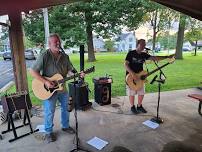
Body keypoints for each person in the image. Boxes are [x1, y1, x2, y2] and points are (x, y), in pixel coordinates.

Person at [30, 33, 85, 143]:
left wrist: (78, 74)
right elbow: (32, 71)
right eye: (55, 42)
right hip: (48, 90)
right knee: (49, 111)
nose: (58, 43)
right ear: (49, 44)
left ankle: (65, 126)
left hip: (62, 88)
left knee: (66, 108)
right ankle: (48, 132)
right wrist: (46, 81)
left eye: (58, 41)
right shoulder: (44, 55)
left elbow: (70, 71)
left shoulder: (65, 56)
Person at [124, 39, 174, 114]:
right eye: (142, 44)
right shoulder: (131, 53)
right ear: (137, 44)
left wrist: (167, 57)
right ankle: (132, 107)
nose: (143, 46)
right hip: (131, 77)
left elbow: (154, 58)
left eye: (144, 45)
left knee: (141, 92)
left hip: (141, 76)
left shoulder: (144, 54)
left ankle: (139, 106)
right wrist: (133, 74)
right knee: (132, 92)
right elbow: (125, 64)